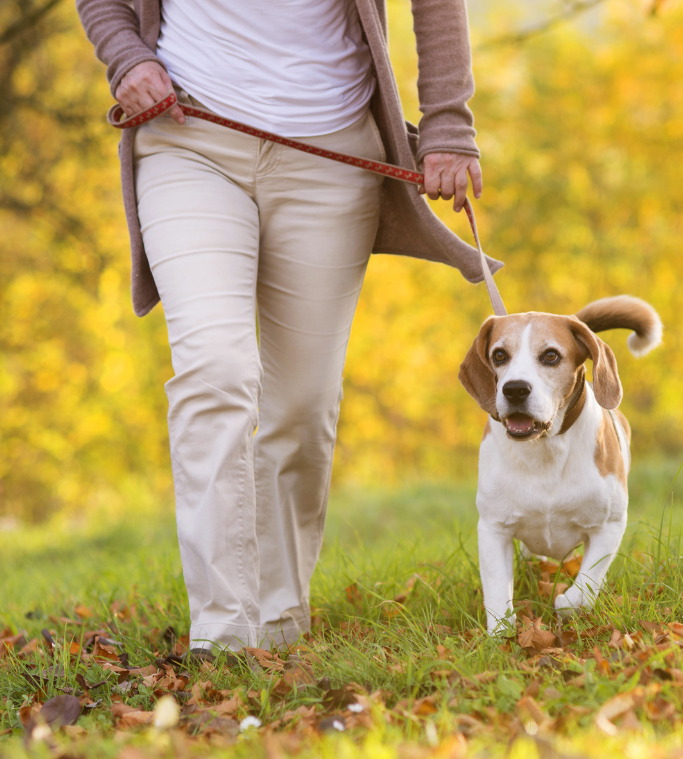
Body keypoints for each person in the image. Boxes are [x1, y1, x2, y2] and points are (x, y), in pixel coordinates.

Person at [75, 0, 499, 654]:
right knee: (215, 371)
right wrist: (126, 56)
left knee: (301, 406)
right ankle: (223, 634)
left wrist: (447, 127)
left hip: (330, 156)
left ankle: (278, 623)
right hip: (189, 137)